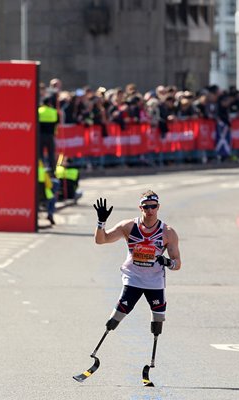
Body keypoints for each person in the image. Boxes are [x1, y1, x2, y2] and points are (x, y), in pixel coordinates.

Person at [81, 191, 181, 383]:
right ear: (140, 208)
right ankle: (95, 354)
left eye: (153, 206)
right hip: (133, 277)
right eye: (146, 207)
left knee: (158, 320)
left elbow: (178, 263)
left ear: (158, 207)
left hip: (154, 282)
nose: (150, 210)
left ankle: (150, 365)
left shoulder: (168, 232)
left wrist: (167, 262)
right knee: (118, 314)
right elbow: (101, 240)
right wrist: (101, 223)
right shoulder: (128, 226)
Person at [38, 97, 59, 171]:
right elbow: (57, 122)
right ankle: (53, 169)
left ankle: (40, 168)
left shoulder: (39, 111)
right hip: (50, 135)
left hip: (40, 135)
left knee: (40, 153)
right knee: (51, 153)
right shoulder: (54, 111)